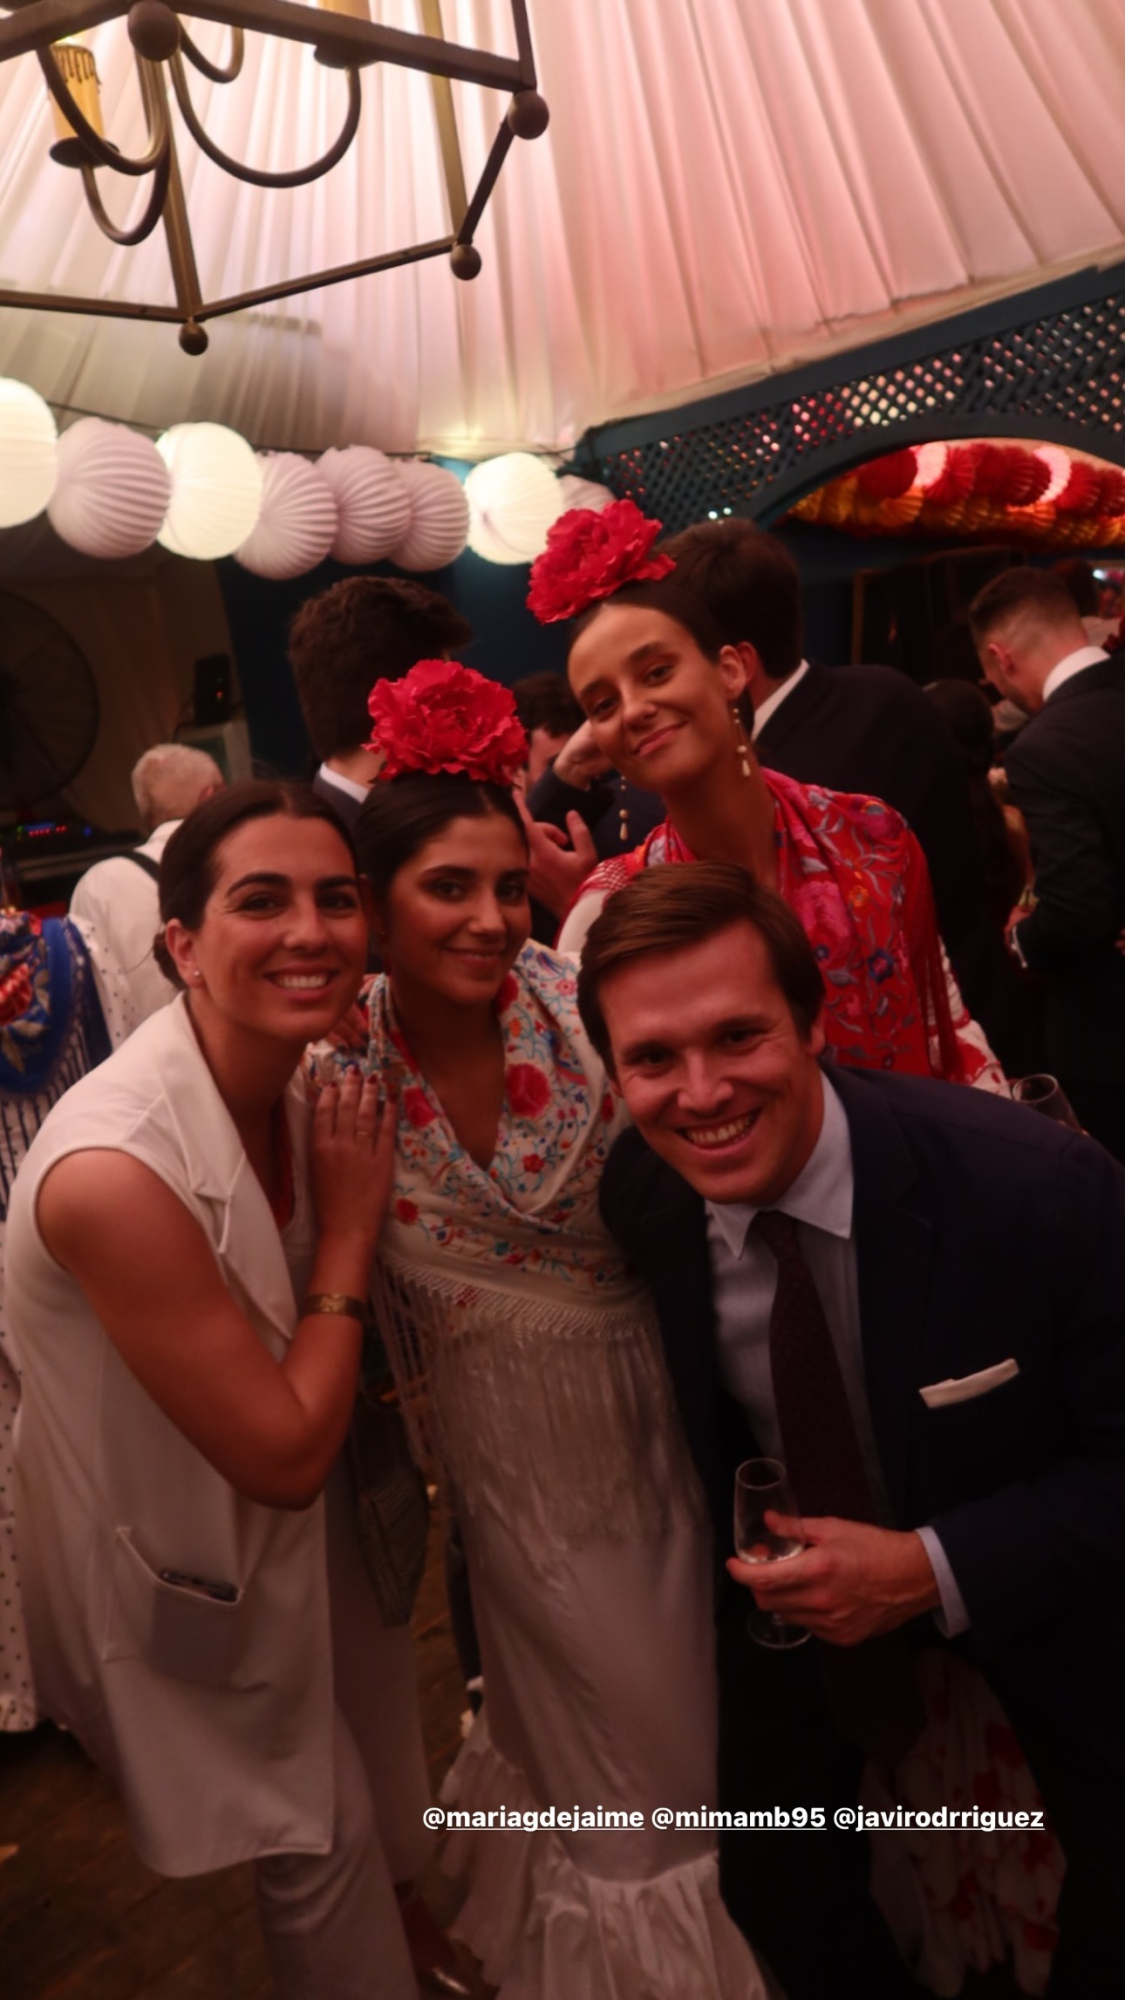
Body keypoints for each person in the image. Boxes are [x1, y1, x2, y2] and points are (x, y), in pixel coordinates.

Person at [581, 861, 1125, 2000]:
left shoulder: (1033, 1188)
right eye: (652, 1058)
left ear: (816, 1018)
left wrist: (927, 1566)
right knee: (775, 1881)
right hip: (800, 1585)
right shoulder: (645, 1194)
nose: (702, 1090)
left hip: (1028, 1551)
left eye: (738, 1035)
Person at [341, 660, 765, 2000]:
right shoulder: (334, 1068)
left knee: (674, 1745)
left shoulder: (581, 1001)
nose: (484, 916)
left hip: (659, 1438)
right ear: (374, 903)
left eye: (498, 879)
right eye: (442, 888)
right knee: (580, 1737)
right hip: (501, 1479)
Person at [5, 782, 431, 2000]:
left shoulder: (297, 1078)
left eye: (335, 898)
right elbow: (285, 1451)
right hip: (187, 1542)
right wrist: (347, 1230)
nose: (310, 930)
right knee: (309, 1830)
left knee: (368, 1758)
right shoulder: (112, 1166)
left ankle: (419, 1942)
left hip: (315, 1536)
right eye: (262, 900)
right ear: (182, 943)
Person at [531, 500, 1005, 1092]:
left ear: (730, 670)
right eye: (602, 704)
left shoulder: (870, 836)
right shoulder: (610, 912)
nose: (634, 710)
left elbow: (944, 1029)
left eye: (655, 672)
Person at [658, 517, 1029, 1071]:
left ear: (734, 665)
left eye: (663, 665)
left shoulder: (783, 777)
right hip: (983, 1009)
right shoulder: (889, 693)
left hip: (906, 1060)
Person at [1, 908, 136, 1734]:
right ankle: (114, 1660)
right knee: (95, 1447)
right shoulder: (75, 947)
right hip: (75, 1225)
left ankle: (23, 1687)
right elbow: (119, 1078)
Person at [970, 566, 1125, 1159]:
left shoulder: (1045, 747)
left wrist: (1020, 940)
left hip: (1111, 1038)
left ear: (1000, 658)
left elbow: (1078, 912)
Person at [288, 575, 473, 830]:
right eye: (450, 693)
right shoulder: (331, 851)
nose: (464, 713)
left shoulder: (319, 828)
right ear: (412, 702)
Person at [70, 743, 224, 1022]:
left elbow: (88, 1002)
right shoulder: (244, 861)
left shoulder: (98, 884)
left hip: (142, 1059)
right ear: (211, 797)